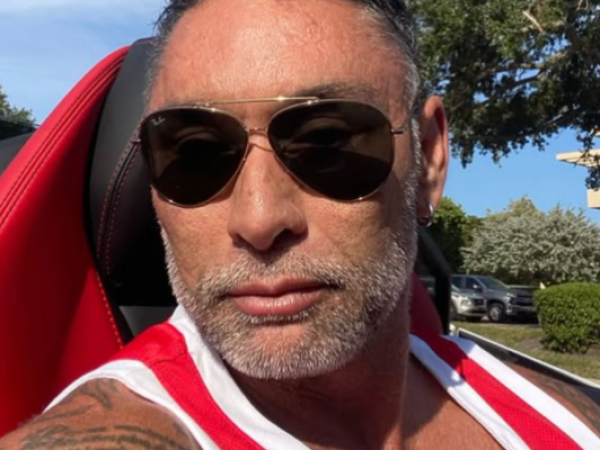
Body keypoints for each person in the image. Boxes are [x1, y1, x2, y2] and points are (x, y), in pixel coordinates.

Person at [2, 0, 600, 449]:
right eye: (195, 153)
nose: (259, 220)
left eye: (327, 143)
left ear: (428, 159)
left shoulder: (564, 418)